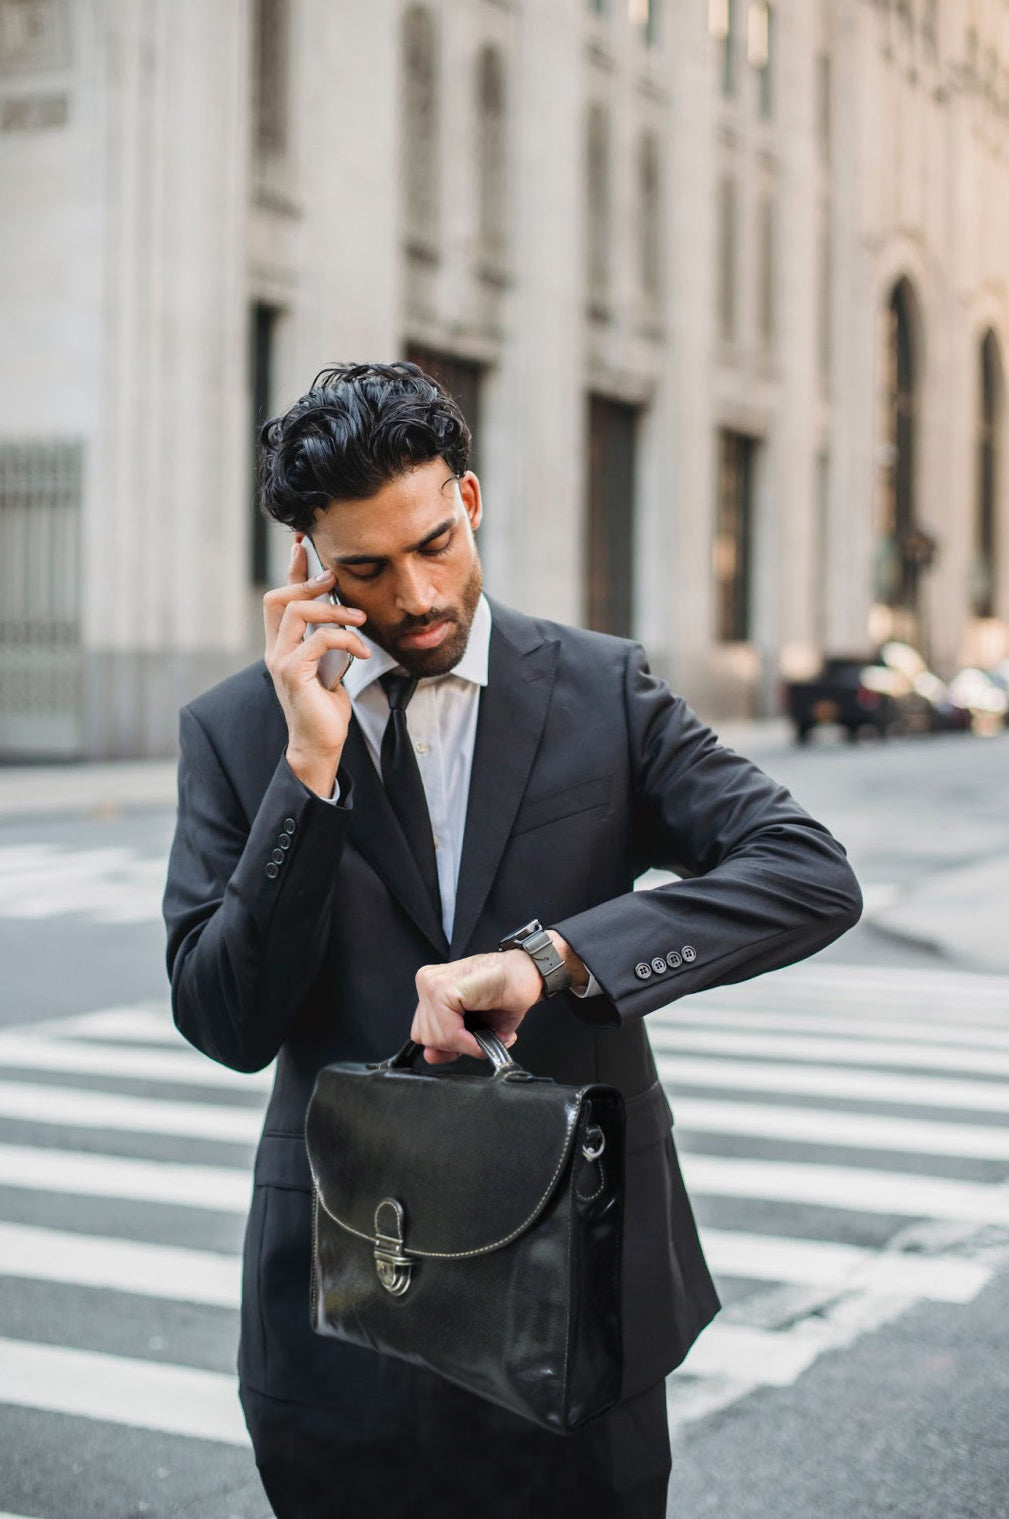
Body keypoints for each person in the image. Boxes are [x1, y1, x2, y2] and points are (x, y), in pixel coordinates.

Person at [162, 361, 862, 1519]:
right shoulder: (242, 734)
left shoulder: (602, 688)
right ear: (307, 566)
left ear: (470, 497)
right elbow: (224, 1022)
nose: (417, 595)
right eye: (366, 570)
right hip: (345, 1304)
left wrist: (554, 958)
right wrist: (309, 766)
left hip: (580, 1301)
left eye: (435, 541)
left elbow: (806, 872)